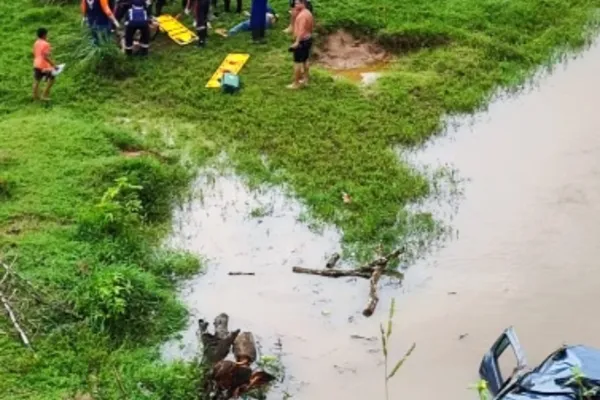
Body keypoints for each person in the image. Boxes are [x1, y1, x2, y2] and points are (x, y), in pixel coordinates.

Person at [288, 0, 313, 89]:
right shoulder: (308, 13)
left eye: (297, 3)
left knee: (297, 63)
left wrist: (297, 42)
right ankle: (305, 79)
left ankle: (296, 83)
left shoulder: (302, 16)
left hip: (301, 41)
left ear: (303, 3)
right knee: (305, 60)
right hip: (308, 39)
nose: (295, 5)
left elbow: (301, 30)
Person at [32, 28, 58, 101]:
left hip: (36, 64)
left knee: (37, 81)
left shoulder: (36, 43)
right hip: (44, 66)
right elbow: (46, 57)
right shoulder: (46, 44)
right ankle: (44, 95)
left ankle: (35, 97)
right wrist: (53, 65)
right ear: (44, 35)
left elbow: (35, 53)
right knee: (52, 79)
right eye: (47, 34)